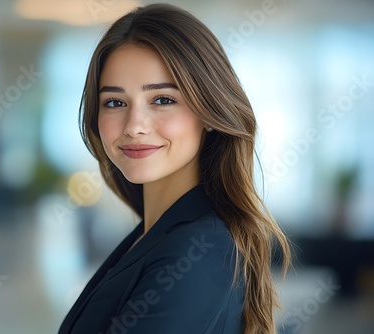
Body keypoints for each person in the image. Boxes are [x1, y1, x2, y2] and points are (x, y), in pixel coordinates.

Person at [59, 4, 290, 334]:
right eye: (115, 102)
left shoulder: (199, 250)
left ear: (209, 112)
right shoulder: (155, 235)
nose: (135, 126)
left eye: (162, 100)